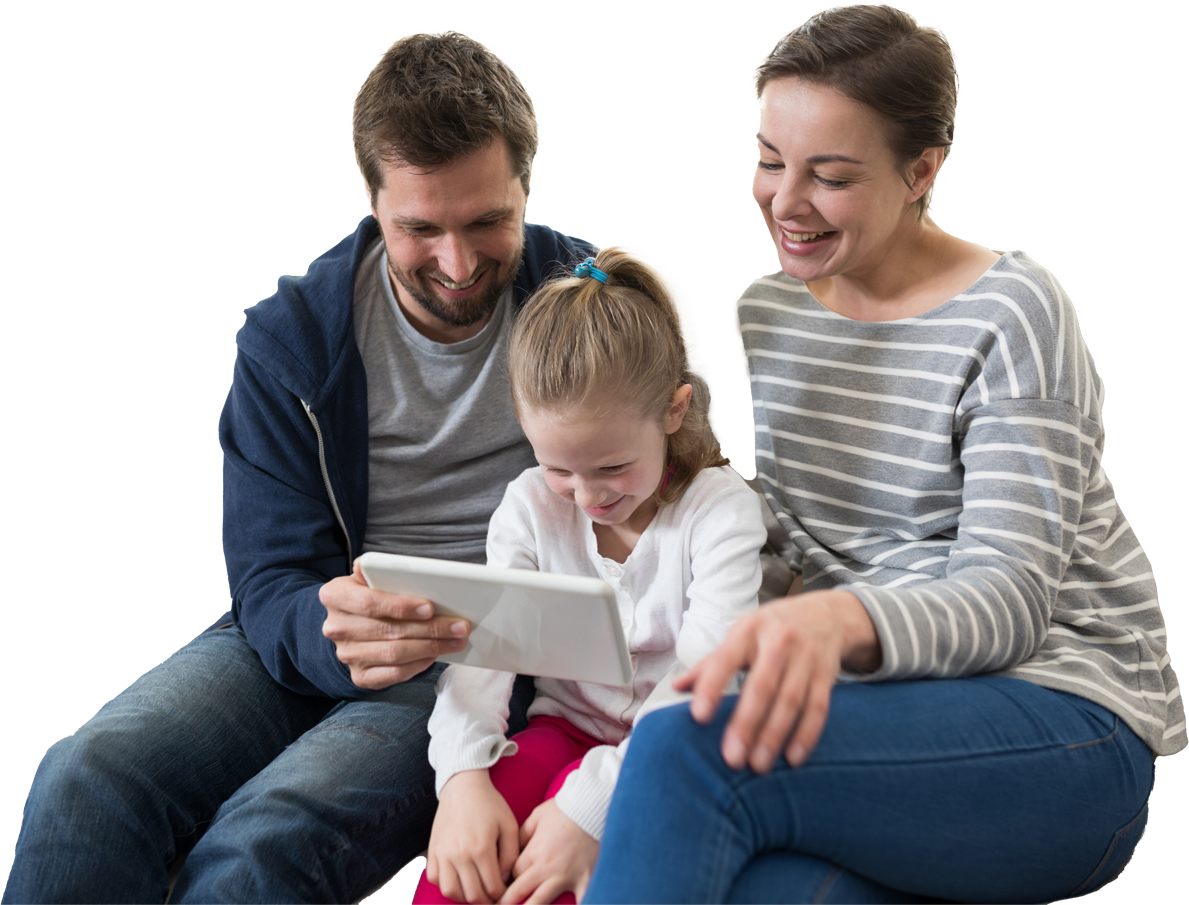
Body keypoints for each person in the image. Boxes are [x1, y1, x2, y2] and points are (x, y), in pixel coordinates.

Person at [581, 6, 1187, 905]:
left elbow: (1009, 600)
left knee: (685, 749)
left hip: (1065, 723)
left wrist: (833, 623)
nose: (785, 202)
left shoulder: (1011, 313)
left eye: (828, 175)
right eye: (769, 160)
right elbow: (805, 549)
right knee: (759, 886)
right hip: (886, 725)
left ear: (920, 170)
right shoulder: (772, 313)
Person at [3, 32, 595, 905]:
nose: (458, 265)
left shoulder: (584, 304)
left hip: (473, 658)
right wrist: (334, 631)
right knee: (85, 773)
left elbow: (662, 496)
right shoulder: (293, 338)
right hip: (304, 629)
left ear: (525, 188)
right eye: (419, 228)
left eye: (485, 222)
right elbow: (270, 576)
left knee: (264, 839)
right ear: (370, 199)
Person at [411, 246, 768, 905]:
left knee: (574, 883)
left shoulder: (720, 512)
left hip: (672, 754)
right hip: (559, 730)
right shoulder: (527, 505)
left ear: (674, 409)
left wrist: (591, 806)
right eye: (559, 468)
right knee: (456, 875)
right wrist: (461, 778)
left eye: (611, 467)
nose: (585, 495)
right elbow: (483, 659)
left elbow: (701, 681)